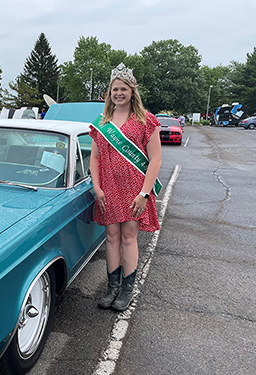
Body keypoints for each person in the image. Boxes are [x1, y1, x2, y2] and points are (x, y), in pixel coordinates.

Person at [89, 63, 162, 312]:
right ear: (109, 93)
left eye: (123, 89)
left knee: (129, 238)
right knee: (111, 238)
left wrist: (144, 193)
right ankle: (112, 288)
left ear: (132, 91)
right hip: (108, 189)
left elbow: (155, 159)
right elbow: (95, 158)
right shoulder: (102, 121)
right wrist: (97, 187)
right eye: (114, 89)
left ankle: (127, 290)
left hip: (134, 190)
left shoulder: (145, 119)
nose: (118, 93)